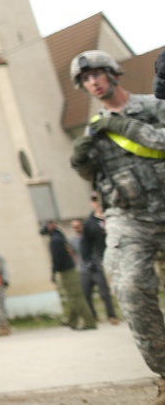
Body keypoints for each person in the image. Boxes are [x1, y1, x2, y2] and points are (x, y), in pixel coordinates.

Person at [68, 50, 165, 403]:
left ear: (112, 73)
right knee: (132, 289)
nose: (92, 81)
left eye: (96, 73)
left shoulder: (154, 106)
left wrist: (123, 125)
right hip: (130, 218)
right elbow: (92, 177)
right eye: (85, 78)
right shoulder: (94, 128)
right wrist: (80, 161)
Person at [40, 220, 97, 331]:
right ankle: (72, 322)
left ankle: (89, 323)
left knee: (76, 298)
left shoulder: (55, 240)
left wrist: (53, 272)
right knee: (75, 297)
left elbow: (56, 259)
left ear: (51, 226)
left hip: (67, 272)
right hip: (69, 270)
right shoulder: (59, 236)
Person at [79, 192, 119, 325]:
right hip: (102, 261)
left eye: (99, 199)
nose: (97, 203)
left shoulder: (116, 216)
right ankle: (107, 316)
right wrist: (88, 261)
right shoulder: (90, 223)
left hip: (120, 256)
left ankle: (113, 314)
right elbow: (85, 244)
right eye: (94, 200)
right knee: (102, 291)